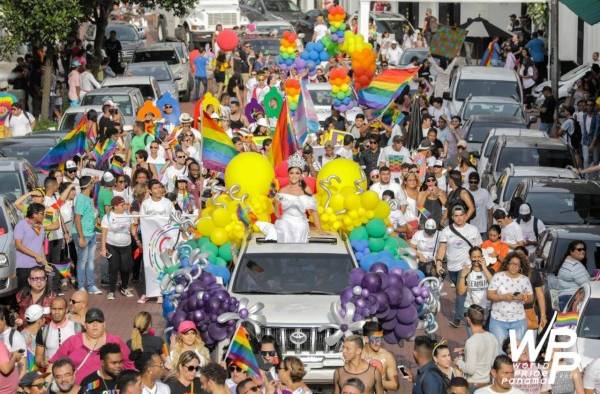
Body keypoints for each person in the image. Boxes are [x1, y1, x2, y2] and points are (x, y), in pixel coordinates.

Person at [49, 308, 134, 384]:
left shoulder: (115, 341)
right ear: (85, 325)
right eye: (91, 322)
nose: (95, 325)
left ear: (104, 324)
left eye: (99, 322)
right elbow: (54, 363)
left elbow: (129, 365)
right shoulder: (73, 341)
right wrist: (46, 383)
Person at [256, 154, 321, 243]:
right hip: (284, 226)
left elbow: (314, 211)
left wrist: (320, 229)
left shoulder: (306, 189)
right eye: (291, 173)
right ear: (288, 174)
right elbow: (278, 215)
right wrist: (275, 203)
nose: (294, 175)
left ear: (301, 175)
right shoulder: (282, 191)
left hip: (301, 226)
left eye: (297, 173)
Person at [436, 206, 482, 328]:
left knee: (461, 292)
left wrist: (477, 264)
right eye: (456, 216)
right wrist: (439, 262)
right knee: (461, 292)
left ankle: (459, 318)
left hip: (467, 266)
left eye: (461, 215)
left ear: (466, 215)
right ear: (452, 217)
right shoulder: (446, 231)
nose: (459, 218)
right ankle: (469, 313)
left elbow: (479, 248)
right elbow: (442, 248)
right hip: (452, 267)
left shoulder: (473, 230)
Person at [487, 253, 533, 352]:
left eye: (517, 264)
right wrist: (503, 297)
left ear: (520, 267)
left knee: (516, 351)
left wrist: (523, 297)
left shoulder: (524, 280)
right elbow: (490, 295)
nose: (514, 266)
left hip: (518, 320)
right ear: (507, 264)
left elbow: (531, 298)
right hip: (498, 319)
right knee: (500, 350)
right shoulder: (498, 276)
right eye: (512, 263)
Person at [139, 180, 174, 304]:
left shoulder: (168, 203)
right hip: (150, 241)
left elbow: (173, 221)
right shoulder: (146, 204)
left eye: (160, 187)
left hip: (164, 240)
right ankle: (149, 292)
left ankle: (161, 292)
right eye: (155, 188)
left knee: (163, 264)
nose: (159, 190)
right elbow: (142, 222)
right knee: (149, 265)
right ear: (149, 191)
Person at [100, 196, 137, 300]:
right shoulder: (107, 217)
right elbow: (104, 234)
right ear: (115, 206)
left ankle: (124, 287)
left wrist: (135, 222)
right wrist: (103, 248)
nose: (124, 206)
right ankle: (111, 291)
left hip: (126, 245)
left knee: (126, 268)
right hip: (112, 245)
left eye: (125, 204)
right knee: (114, 268)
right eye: (122, 205)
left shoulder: (127, 215)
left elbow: (132, 231)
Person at [454, 305, 498, 389]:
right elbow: (493, 362)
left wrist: (458, 361)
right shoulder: (492, 337)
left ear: (468, 320)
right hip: (488, 383)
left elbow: (470, 370)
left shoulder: (471, 342)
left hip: (473, 385)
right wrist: (466, 351)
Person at [71, 176, 101, 294]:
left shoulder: (88, 198)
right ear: (89, 185)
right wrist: (81, 236)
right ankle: (81, 286)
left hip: (91, 233)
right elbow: (77, 218)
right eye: (92, 184)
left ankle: (91, 285)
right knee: (82, 261)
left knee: (90, 261)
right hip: (82, 234)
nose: (93, 186)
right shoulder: (81, 198)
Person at [35, 297, 81, 369]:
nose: (57, 312)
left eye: (60, 309)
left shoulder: (78, 328)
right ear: (50, 310)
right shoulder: (43, 331)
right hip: (51, 374)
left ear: (66, 310)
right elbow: (38, 357)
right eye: (54, 309)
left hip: (73, 374)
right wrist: (42, 363)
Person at [15, 203, 50, 289]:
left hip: (38, 266)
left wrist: (45, 263)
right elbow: (18, 245)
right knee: (24, 295)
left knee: (40, 292)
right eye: (42, 213)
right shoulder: (21, 225)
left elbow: (40, 246)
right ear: (34, 214)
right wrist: (35, 255)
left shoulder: (41, 227)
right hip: (24, 267)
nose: (44, 216)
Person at [457, 247, 493, 324]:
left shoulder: (489, 271)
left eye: (479, 257)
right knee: (473, 335)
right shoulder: (466, 272)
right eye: (474, 257)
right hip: (470, 309)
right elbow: (461, 292)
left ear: (482, 257)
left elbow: (494, 285)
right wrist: (463, 276)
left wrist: (485, 268)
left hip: (486, 309)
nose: (477, 259)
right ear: (470, 258)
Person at [361, 322, 398, 391]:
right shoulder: (357, 356)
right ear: (366, 339)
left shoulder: (387, 356)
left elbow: (395, 385)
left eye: (381, 338)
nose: (379, 342)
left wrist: (376, 381)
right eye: (375, 339)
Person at [556, 240, 591, 310]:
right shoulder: (575, 266)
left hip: (564, 299)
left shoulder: (566, 263)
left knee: (566, 321)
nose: (582, 251)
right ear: (571, 251)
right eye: (579, 249)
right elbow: (588, 286)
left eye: (584, 249)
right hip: (573, 301)